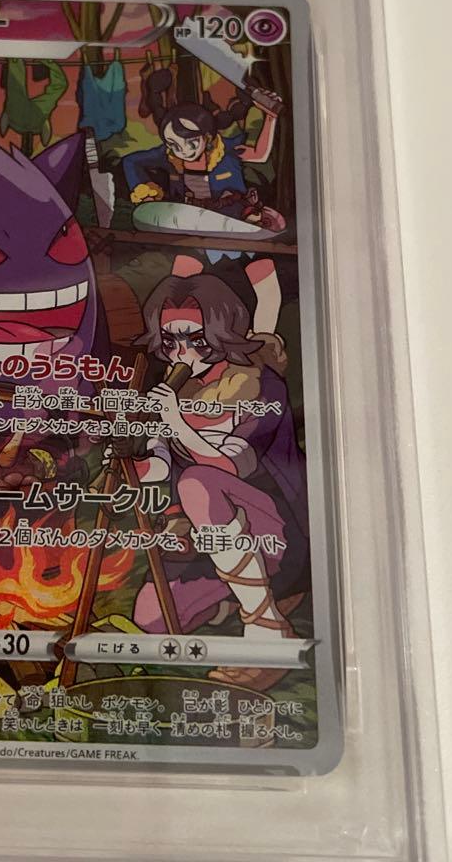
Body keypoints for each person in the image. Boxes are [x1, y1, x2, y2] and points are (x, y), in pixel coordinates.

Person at [127, 268, 308, 690]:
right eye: (171, 341)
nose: (182, 352)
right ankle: (248, 598)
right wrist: (131, 460)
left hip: (275, 534)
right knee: (151, 619)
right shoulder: (177, 391)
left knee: (198, 482)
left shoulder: (259, 384)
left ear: (222, 330)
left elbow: (229, 465)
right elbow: (161, 465)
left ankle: (268, 627)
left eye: (196, 339)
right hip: (207, 542)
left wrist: (175, 421)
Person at [122, 68, 279, 214]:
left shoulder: (227, 150)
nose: (183, 151)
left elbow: (260, 155)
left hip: (230, 219)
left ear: (207, 136)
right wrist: (145, 191)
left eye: (191, 143)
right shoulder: (168, 155)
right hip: (186, 219)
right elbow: (130, 161)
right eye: (173, 145)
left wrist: (271, 117)